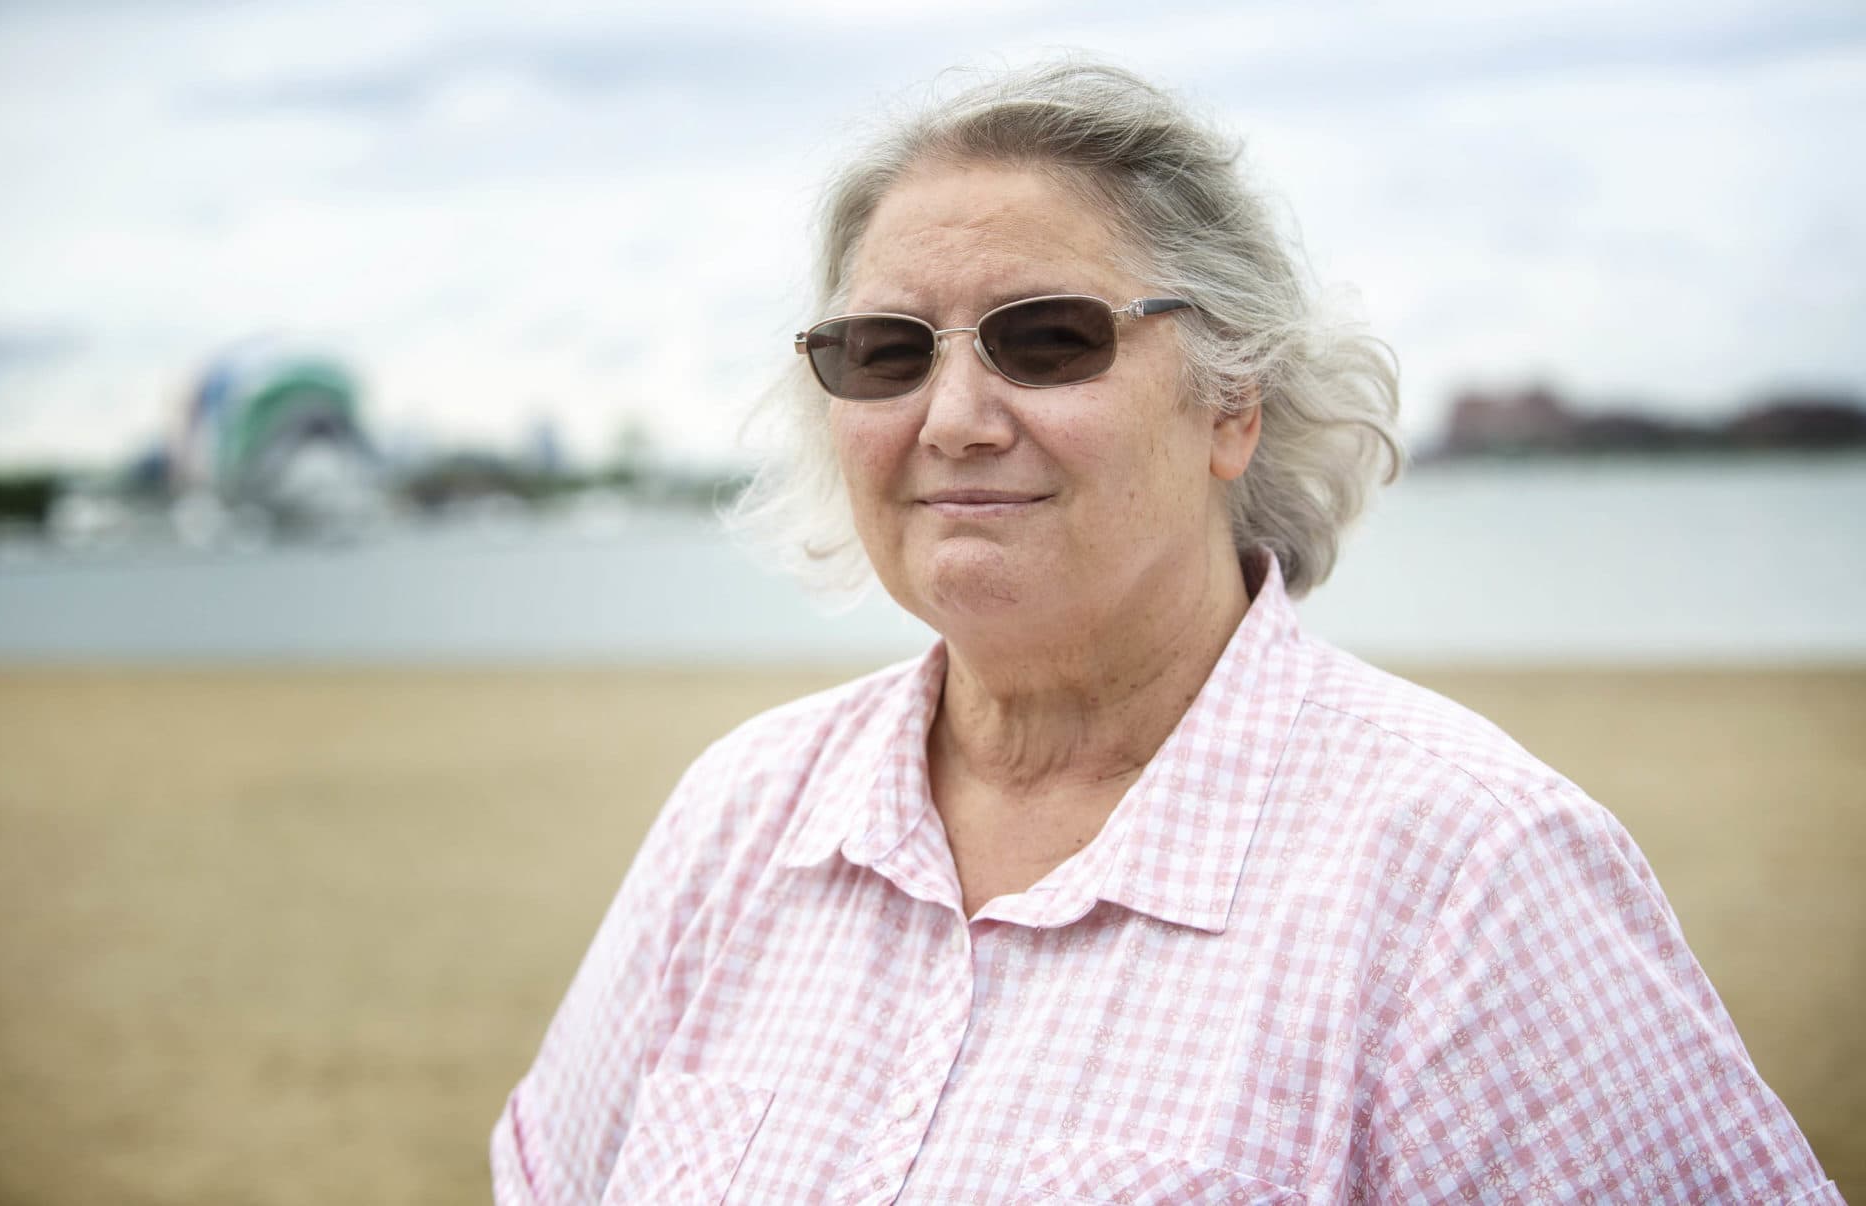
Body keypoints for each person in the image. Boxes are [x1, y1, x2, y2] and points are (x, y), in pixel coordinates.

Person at [492, 61, 1839, 1204]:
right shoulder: (739, 817)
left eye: (1047, 337)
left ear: (1233, 403)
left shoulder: (1468, 875)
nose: (953, 416)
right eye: (887, 351)